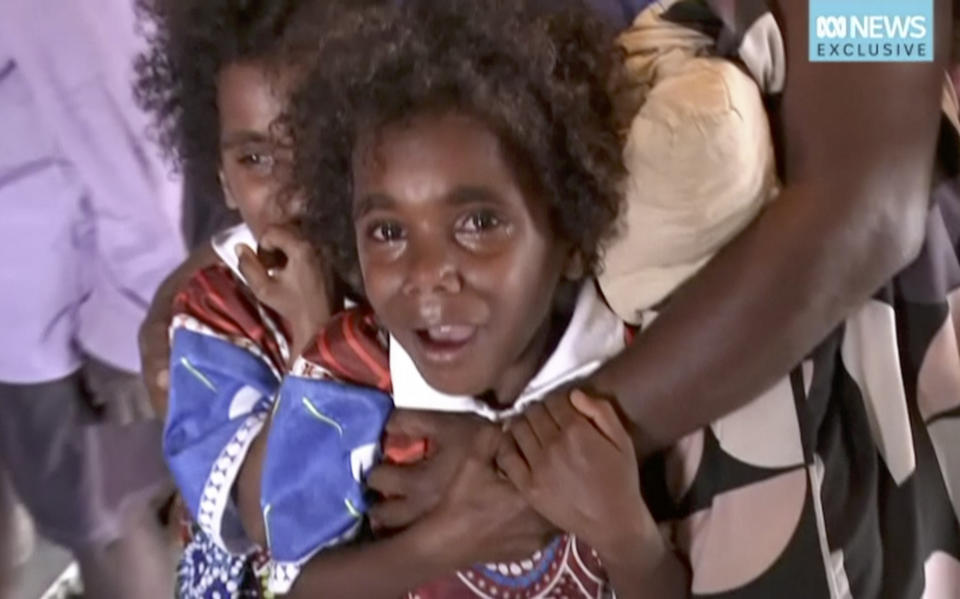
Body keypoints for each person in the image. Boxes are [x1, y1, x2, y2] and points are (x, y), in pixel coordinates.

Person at [163, 1, 687, 596]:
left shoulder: (648, 353)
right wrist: (455, 535)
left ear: (570, 229)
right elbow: (289, 570)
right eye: (388, 232)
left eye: (479, 223)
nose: (428, 274)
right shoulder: (345, 375)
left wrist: (627, 541)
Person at [135, 0, 350, 595]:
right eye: (255, 159)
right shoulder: (212, 321)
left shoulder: (406, 265)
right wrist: (315, 332)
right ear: (224, 180)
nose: (290, 187)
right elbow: (279, 518)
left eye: (312, 140)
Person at [0, 0, 185, 597]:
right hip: (27, 300)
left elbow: (124, 114)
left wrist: (129, 316)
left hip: (55, 307)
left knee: (102, 519)